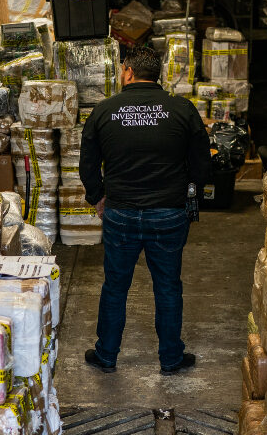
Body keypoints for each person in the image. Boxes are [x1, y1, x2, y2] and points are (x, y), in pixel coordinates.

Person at [79, 46, 212, 376]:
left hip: (120, 213)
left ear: (127, 72)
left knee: (115, 286)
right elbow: (202, 165)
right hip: (168, 214)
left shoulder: (105, 111)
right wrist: (188, 194)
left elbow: (87, 164)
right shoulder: (182, 110)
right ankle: (170, 359)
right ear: (159, 75)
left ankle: (107, 355)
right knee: (167, 287)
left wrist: (98, 197)